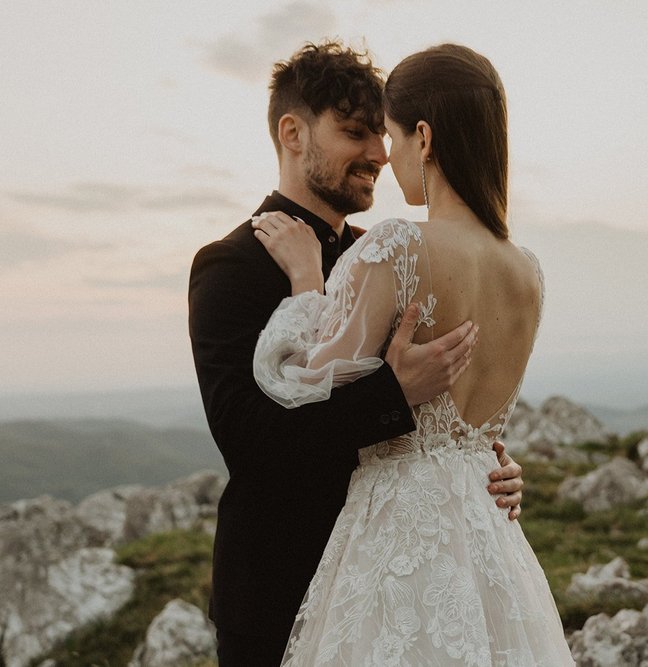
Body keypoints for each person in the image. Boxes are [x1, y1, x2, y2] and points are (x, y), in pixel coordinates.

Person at [187, 41, 525, 666]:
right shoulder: (230, 265)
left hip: (406, 584)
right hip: (280, 591)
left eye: (380, 132)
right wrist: (392, 395)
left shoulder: (394, 254)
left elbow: (452, 399)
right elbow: (249, 442)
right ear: (293, 133)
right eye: (353, 132)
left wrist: (482, 469)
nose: (378, 152)